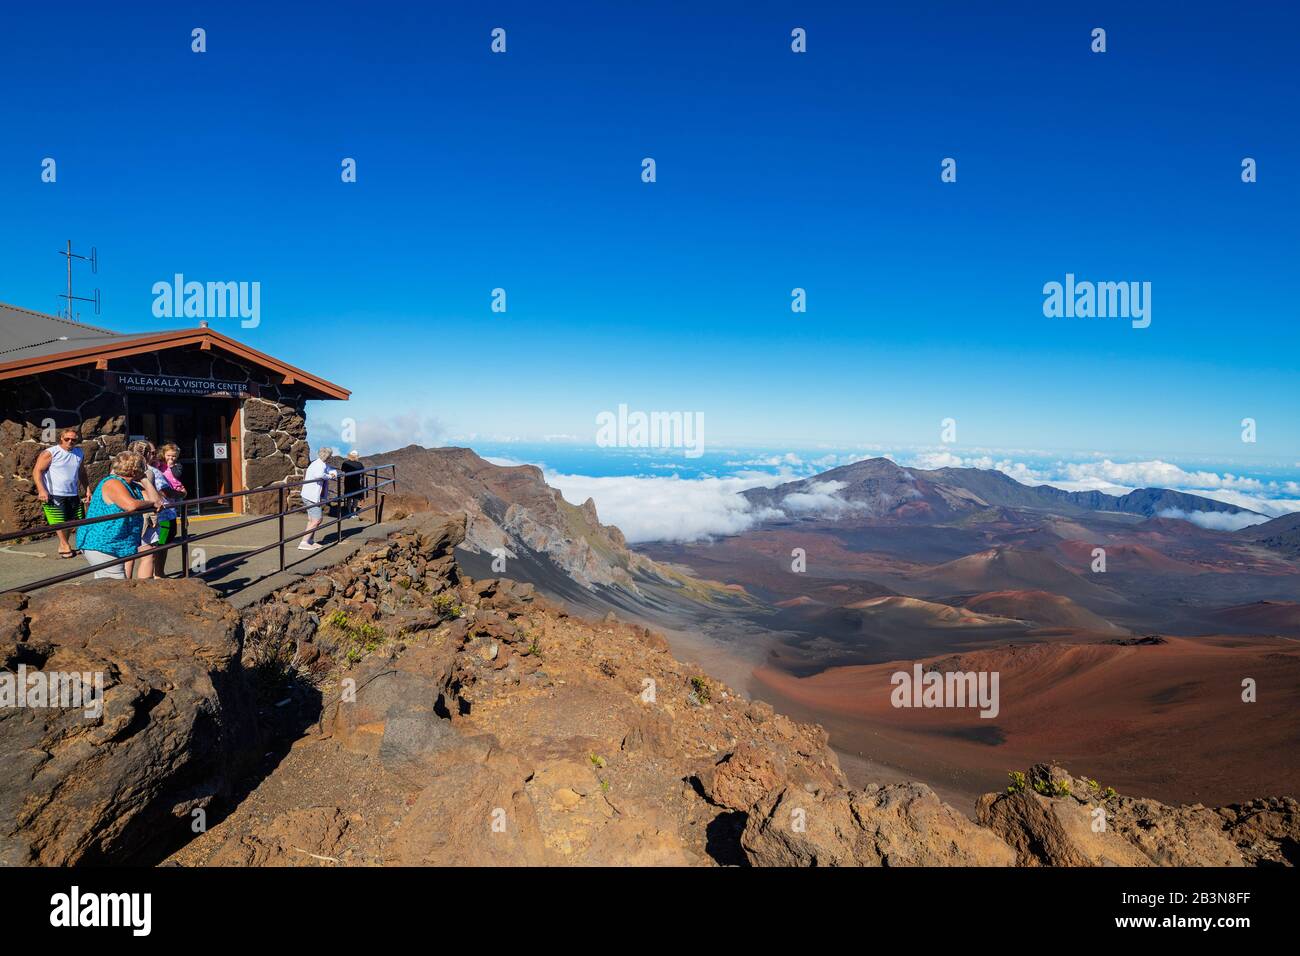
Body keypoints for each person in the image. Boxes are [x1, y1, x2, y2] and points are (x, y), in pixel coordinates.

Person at [79, 451, 162, 579]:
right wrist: (150, 503)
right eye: (142, 468)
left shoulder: (132, 485)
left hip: (117, 542)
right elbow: (131, 505)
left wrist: (145, 480)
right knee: (116, 586)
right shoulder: (112, 483)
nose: (145, 470)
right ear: (135, 470)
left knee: (104, 587)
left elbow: (157, 503)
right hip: (103, 543)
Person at [32, 427, 91, 558]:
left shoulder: (79, 453)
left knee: (70, 521)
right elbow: (37, 471)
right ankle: (65, 545)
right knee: (58, 520)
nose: (70, 442)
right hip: (54, 492)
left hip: (72, 492)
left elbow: (81, 472)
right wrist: (42, 490)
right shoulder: (51, 453)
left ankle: (63, 544)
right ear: (61, 439)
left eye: (73, 440)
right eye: (67, 439)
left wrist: (87, 488)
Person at [128, 440, 171, 578]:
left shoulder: (117, 471)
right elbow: (157, 496)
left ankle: (125, 585)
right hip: (150, 517)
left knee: (128, 555)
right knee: (150, 553)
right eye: (151, 453)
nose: (153, 456)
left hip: (127, 517)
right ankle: (152, 580)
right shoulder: (149, 472)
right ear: (146, 454)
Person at [298, 447, 338, 550]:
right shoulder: (319, 465)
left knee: (312, 520)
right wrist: (330, 476)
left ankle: (310, 540)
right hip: (311, 496)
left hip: (308, 494)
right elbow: (319, 475)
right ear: (327, 456)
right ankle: (304, 542)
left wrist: (333, 473)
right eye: (330, 456)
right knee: (317, 519)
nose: (330, 457)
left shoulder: (319, 463)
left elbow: (330, 469)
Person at [340, 450, 366, 517]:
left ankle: (349, 512)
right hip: (356, 482)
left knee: (349, 497)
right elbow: (363, 472)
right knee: (356, 497)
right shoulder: (359, 464)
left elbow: (343, 471)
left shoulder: (345, 463)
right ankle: (354, 512)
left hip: (348, 482)